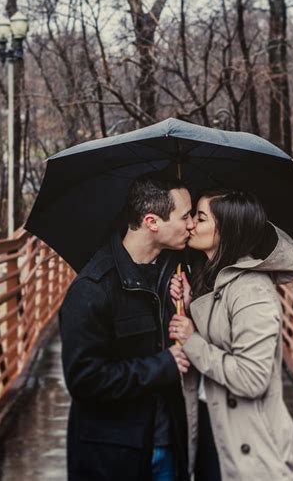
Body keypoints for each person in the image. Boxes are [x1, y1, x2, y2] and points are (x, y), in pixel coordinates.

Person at [59, 174, 195, 481]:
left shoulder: (175, 272)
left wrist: (190, 303)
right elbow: (85, 379)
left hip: (168, 442)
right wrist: (162, 365)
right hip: (114, 453)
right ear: (152, 222)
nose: (191, 225)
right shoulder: (92, 289)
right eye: (184, 217)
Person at [169, 190, 293, 481]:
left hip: (250, 442)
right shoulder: (216, 278)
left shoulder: (252, 292)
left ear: (227, 230)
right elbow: (220, 334)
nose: (190, 224)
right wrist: (192, 303)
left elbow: (251, 377)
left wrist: (191, 339)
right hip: (214, 423)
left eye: (200, 217)